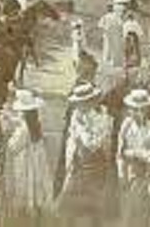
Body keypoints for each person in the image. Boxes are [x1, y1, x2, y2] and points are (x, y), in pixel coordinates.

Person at [56, 83, 114, 227]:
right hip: (77, 165)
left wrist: (82, 129)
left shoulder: (102, 119)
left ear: (90, 102)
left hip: (95, 165)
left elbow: (93, 144)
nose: (78, 107)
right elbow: (72, 138)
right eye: (77, 103)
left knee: (93, 206)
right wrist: (70, 160)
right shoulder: (77, 115)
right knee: (68, 205)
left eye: (81, 103)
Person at [117, 89, 150, 227]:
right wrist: (121, 173)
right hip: (133, 173)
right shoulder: (126, 126)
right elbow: (120, 152)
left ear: (147, 110)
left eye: (142, 110)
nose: (138, 113)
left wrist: (138, 153)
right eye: (134, 109)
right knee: (132, 210)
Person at [3, 89, 53, 223]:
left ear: (24, 113)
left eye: (19, 111)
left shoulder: (23, 130)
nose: (17, 113)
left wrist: (7, 133)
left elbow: (13, 146)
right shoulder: (35, 124)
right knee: (36, 187)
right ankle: (35, 213)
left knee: (24, 186)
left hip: (25, 162)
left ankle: (25, 219)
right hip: (36, 161)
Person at [98, 3, 125, 68]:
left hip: (114, 33)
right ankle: (106, 62)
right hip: (108, 33)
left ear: (112, 8)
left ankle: (114, 62)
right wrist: (105, 29)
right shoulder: (105, 16)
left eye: (110, 8)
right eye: (108, 8)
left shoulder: (115, 16)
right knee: (107, 47)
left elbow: (120, 24)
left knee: (114, 47)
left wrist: (119, 31)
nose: (109, 9)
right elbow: (100, 25)